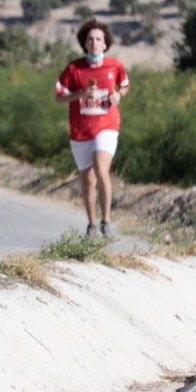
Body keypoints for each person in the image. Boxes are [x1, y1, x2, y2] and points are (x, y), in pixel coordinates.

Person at [55, 18, 130, 238]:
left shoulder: (114, 65)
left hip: (107, 125)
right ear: (84, 43)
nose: (94, 43)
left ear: (106, 43)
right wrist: (79, 95)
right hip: (80, 130)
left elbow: (124, 85)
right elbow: (59, 97)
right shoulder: (74, 68)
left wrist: (118, 95)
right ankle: (92, 224)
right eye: (90, 39)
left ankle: (107, 220)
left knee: (101, 168)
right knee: (87, 179)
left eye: (99, 39)